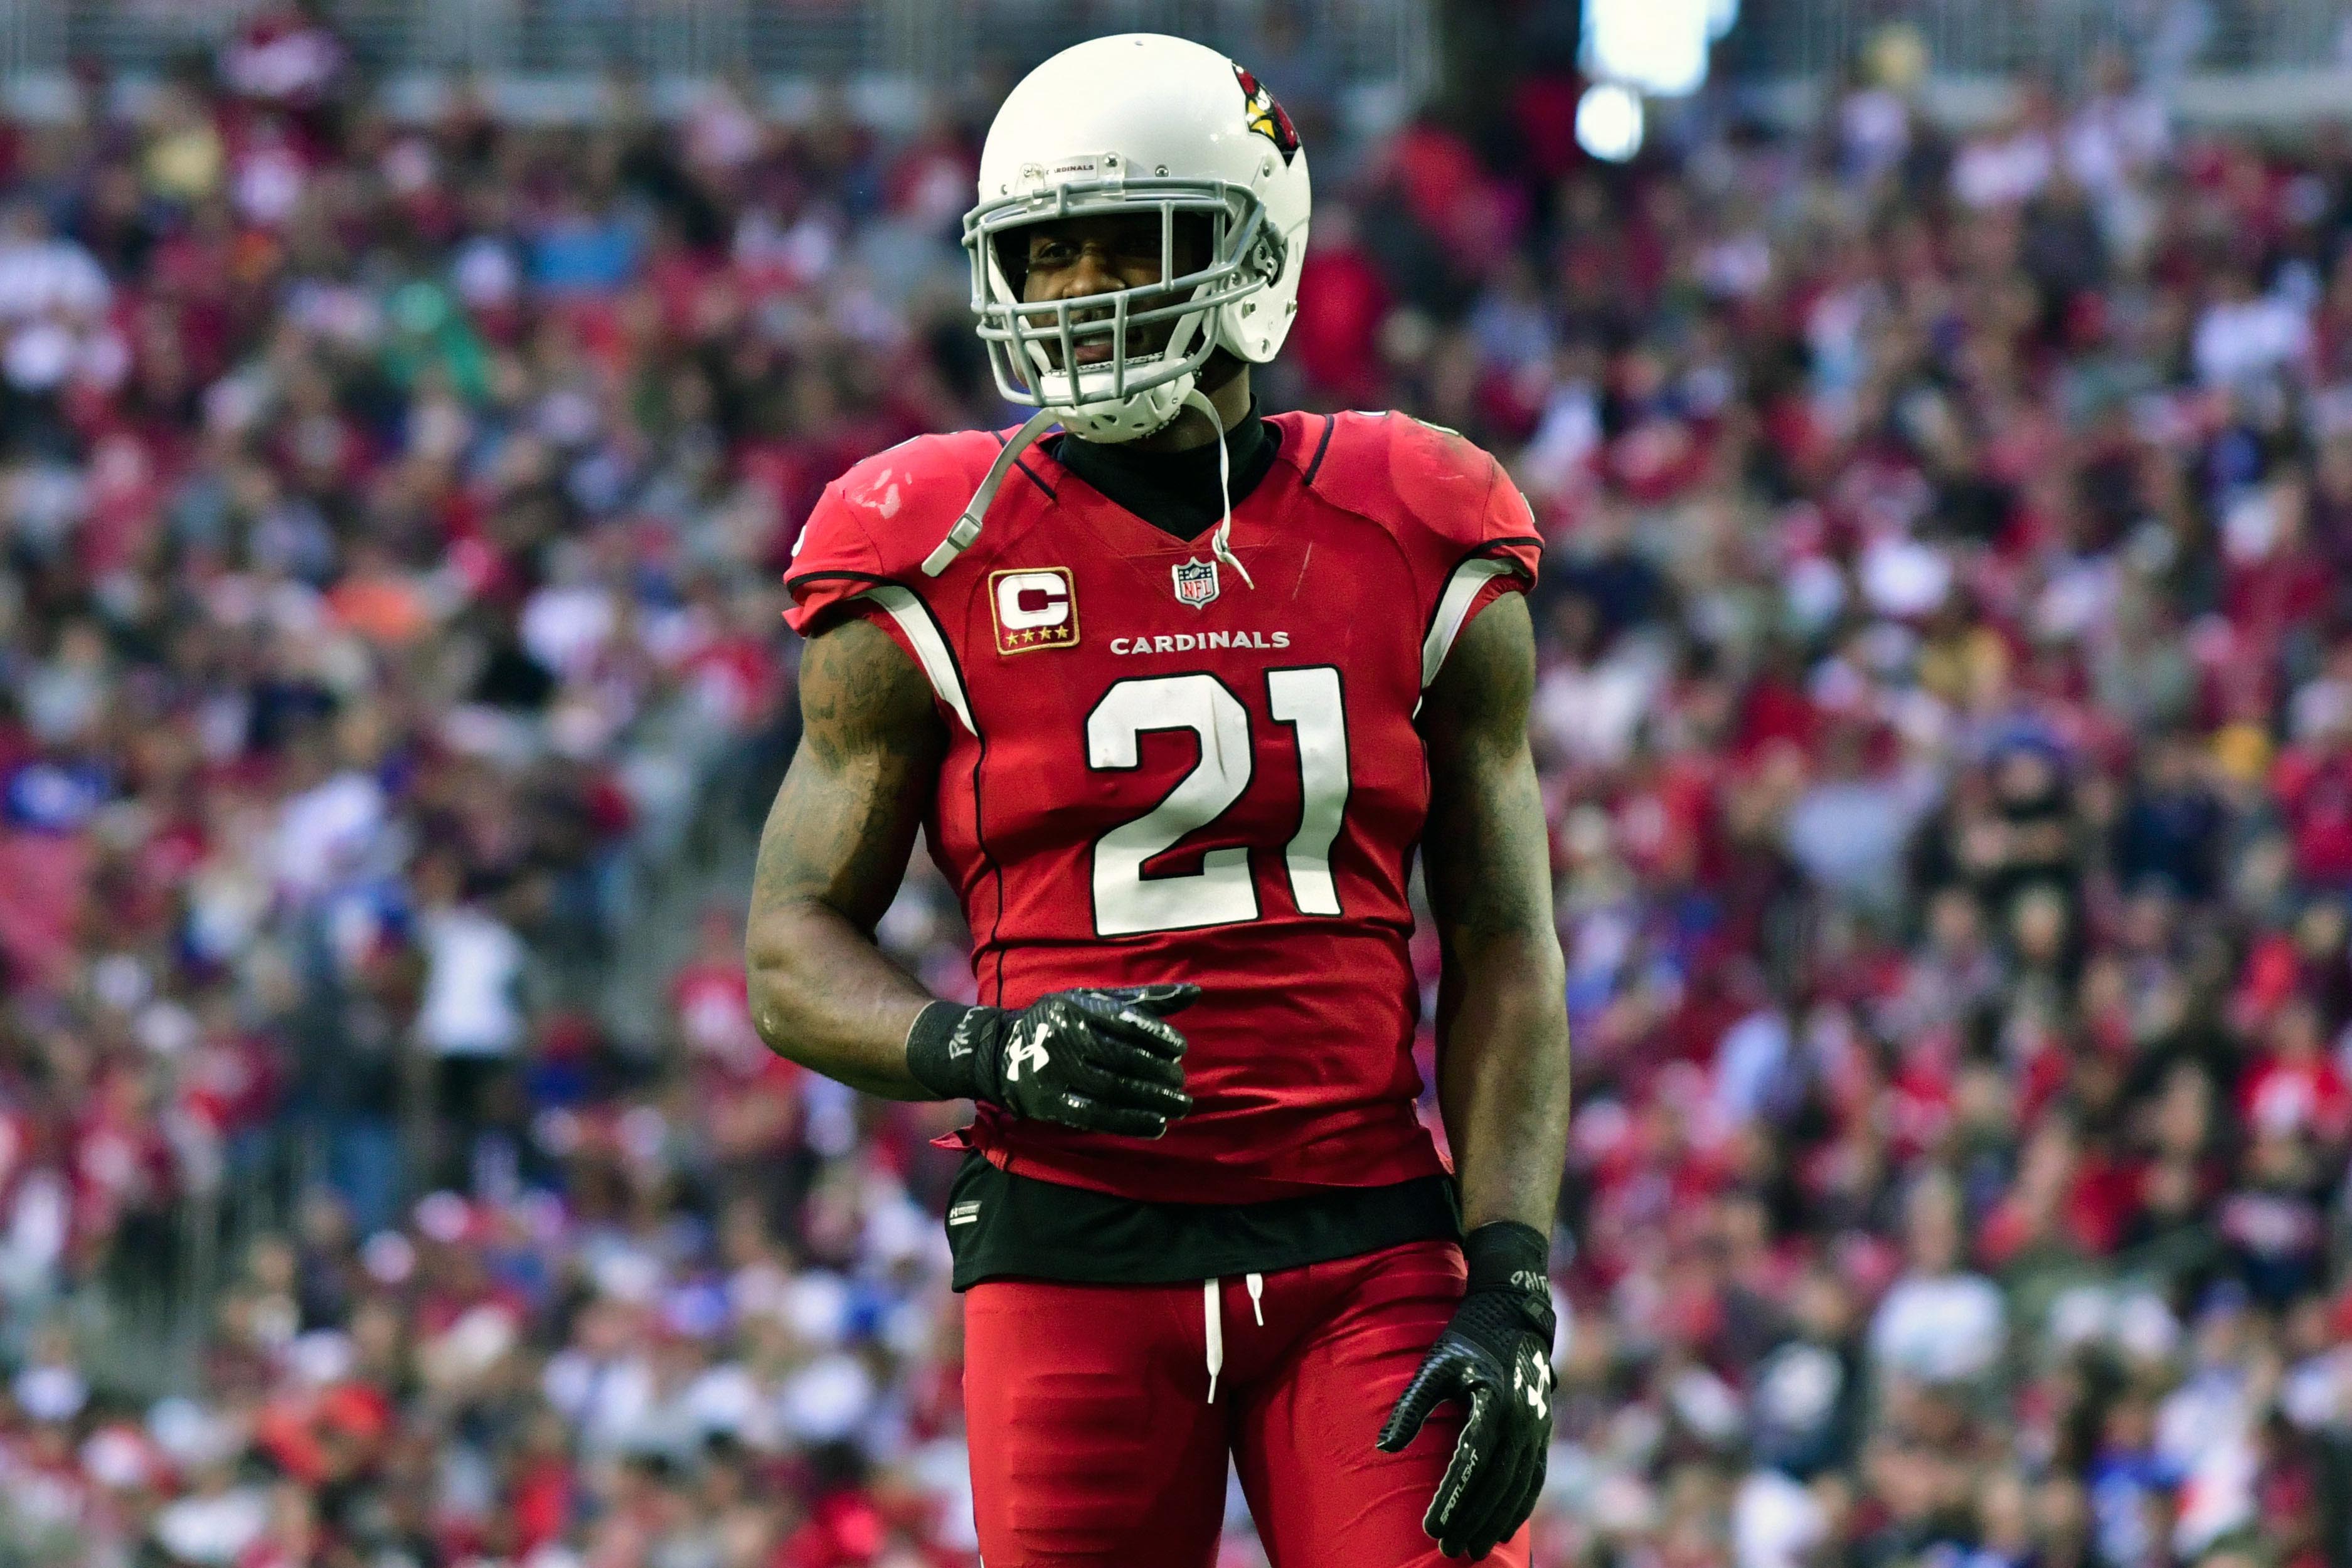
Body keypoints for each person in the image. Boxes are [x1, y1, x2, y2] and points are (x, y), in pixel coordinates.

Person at [746, 33, 1572, 1565]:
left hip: (1363, 1233)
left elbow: (1508, 936)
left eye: (1129, 241)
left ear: (1258, 244)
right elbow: (789, 948)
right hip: (1073, 1242)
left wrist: (1512, 1269)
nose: (1075, 290)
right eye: (1042, 254)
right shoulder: (926, 542)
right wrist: (982, 1045)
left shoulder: (1414, 517)